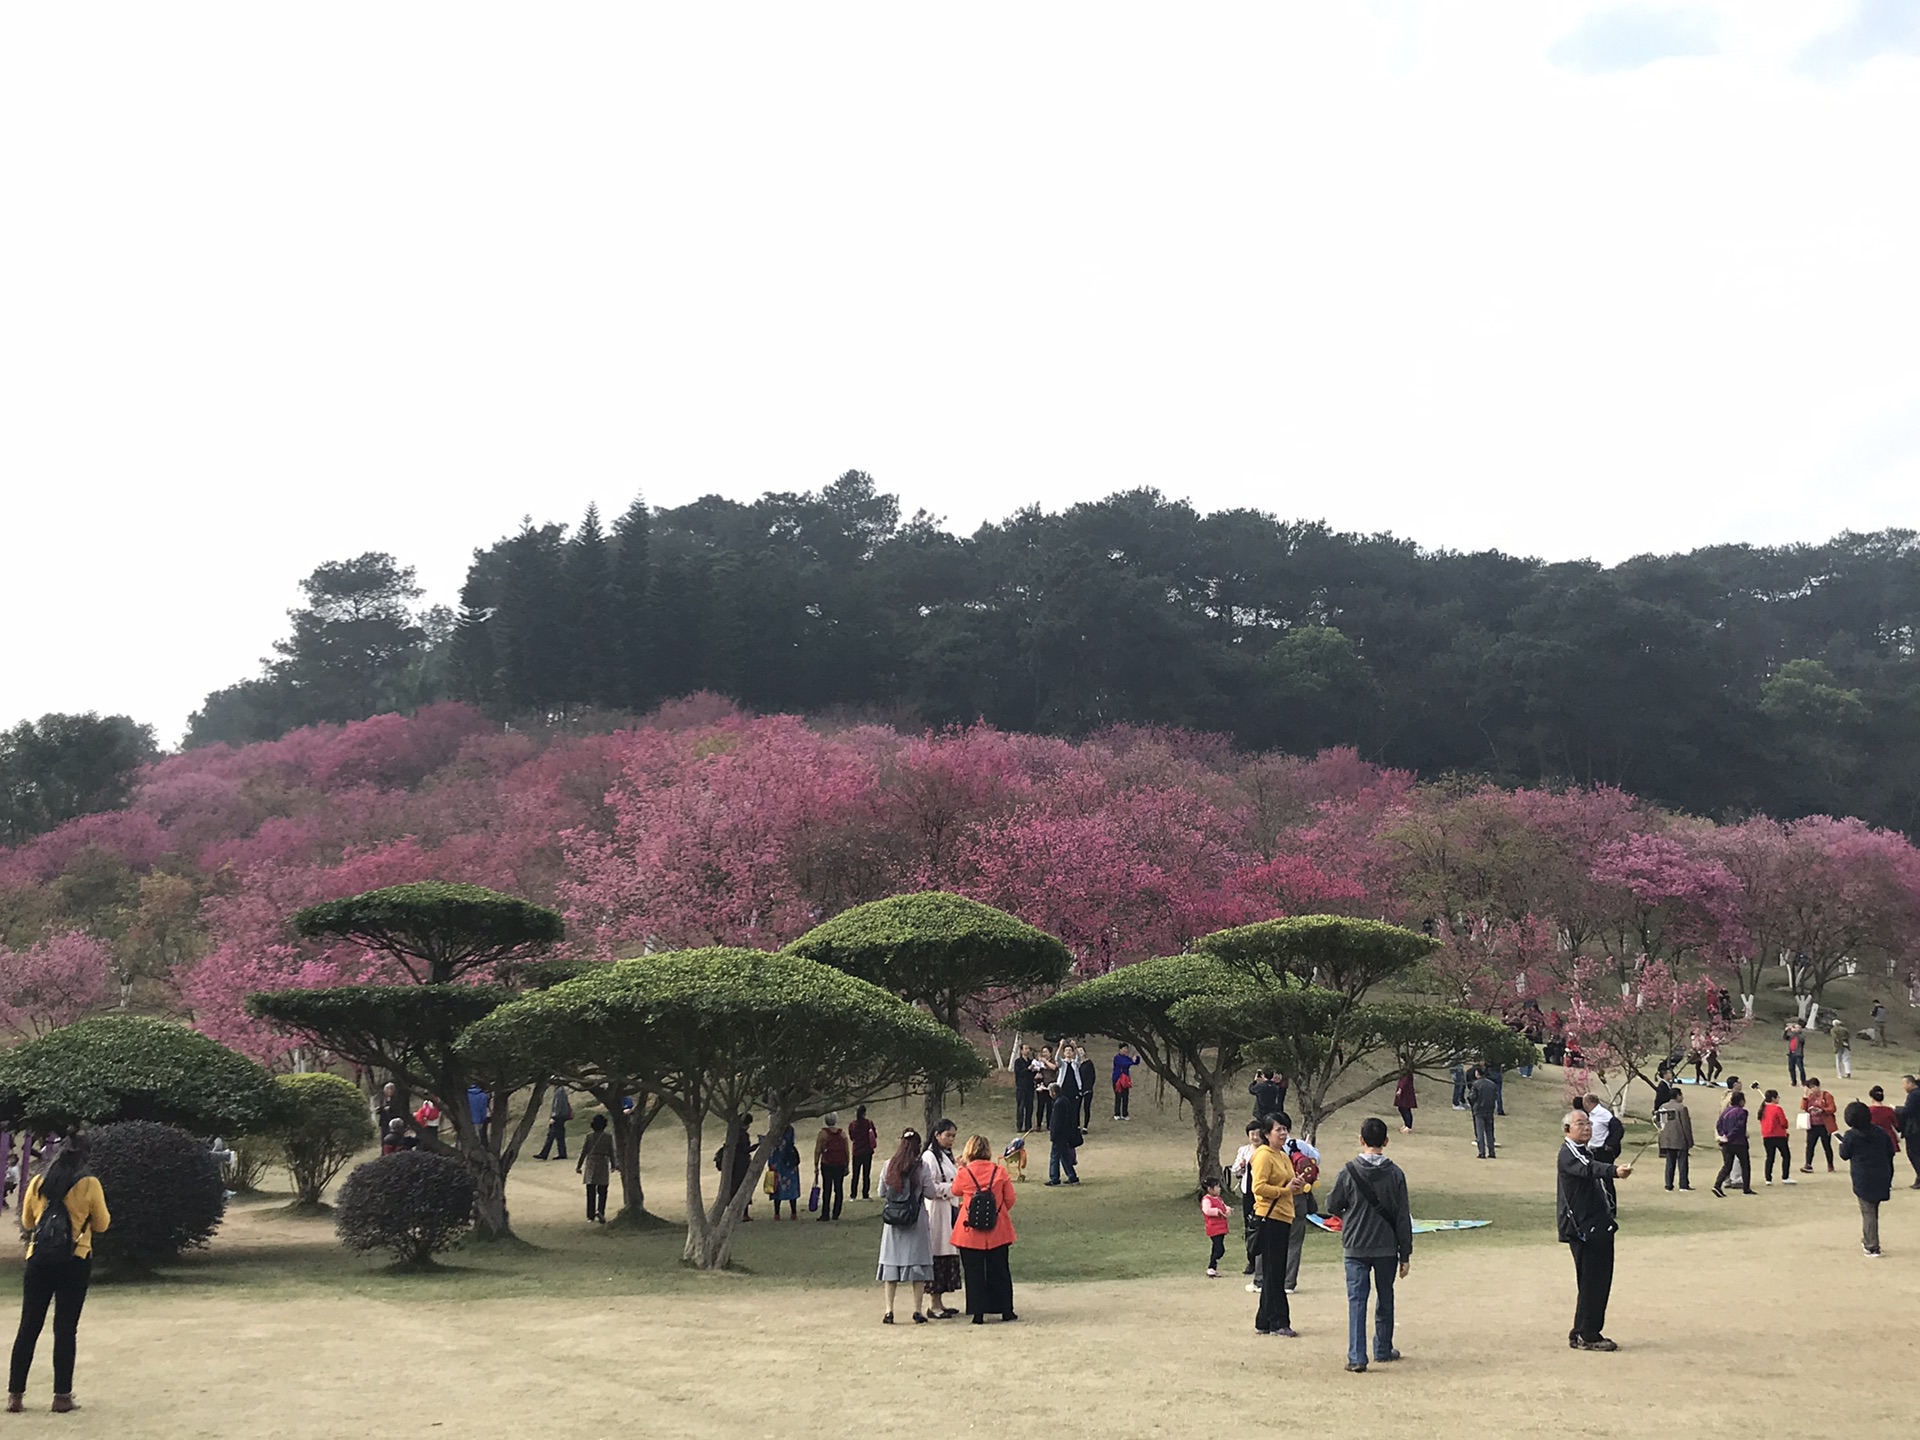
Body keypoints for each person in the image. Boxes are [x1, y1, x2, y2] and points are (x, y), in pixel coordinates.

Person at [9, 1134, 110, 1413]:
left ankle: (15, 1395)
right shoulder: (89, 1183)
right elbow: (102, 1224)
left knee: (28, 1326)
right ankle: (62, 1396)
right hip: (75, 1260)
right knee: (65, 1329)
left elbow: (28, 1221)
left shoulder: (38, 1183)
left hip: (38, 1259)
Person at [1324, 1117, 1413, 1373]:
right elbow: (1402, 1216)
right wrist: (1405, 1253)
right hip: (1386, 1246)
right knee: (1385, 1297)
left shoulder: (1349, 1171)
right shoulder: (1395, 1173)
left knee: (1357, 1300)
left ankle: (1356, 1356)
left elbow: (1331, 1205)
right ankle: (1383, 1347)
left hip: (1355, 1245)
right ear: (1386, 1141)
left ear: (1361, 1140)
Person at [1558, 1108, 1632, 1352]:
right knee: (1591, 1281)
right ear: (1568, 1130)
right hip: (1582, 1228)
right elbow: (1588, 1168)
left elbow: (1593, 1166)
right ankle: (1585, 1333)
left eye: (1588, 1123)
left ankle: (1588, 1330)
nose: (1587, 1127)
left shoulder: (1584, 1151)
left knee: (1599, 1281)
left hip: (1598, 1224)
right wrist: (1614, 1171)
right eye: (1580, 1123)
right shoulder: (1569, 1153)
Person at [949, 1134, 1017, 1323]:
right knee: (1000, 1270)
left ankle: (978, 1313)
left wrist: (961, 1168)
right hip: (998, 1230)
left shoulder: (964, 1173)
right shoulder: (1000, 1171)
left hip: (969, 1231)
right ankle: (1005, 1309)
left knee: (974, 1272)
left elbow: (955, 1191)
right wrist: (999, 1212)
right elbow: (1010, 1198)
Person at [1249, 1114, 1306, 1338]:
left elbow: (1288, 1183)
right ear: (1266, 1134)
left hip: (1284, 1217)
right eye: (1278, 1130)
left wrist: (1298, 1186)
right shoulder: (1263, 1155)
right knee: (1275, 1273)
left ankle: (1263, 1320)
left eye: (1285, 1129)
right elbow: (1259, 1188)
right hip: (1269, 1217)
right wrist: (1285, 1191)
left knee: (1275, 1270)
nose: (1283, 1133)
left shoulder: (1282, 1155)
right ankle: (1279, 1321)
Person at [876, 1129, 932, 1324]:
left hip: (893, 1222)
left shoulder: (888, 1165)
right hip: (915, 1220)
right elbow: (931, 1193)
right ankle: (917, 1310)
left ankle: (889, 1310)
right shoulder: (922, 1167)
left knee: (891, 1266)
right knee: (918, 1266)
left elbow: (881, 1192)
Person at [1839, 1100, 1894, 1258]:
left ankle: (1872, 1245)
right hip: (1882, 1173)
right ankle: (1868, 1239)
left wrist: (1841, 1144)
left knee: (1868, 1211)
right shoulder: (1880, 1131)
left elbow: (1844, 1155)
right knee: (1872, 1209)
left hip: (1863, 1177)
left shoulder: (1851, 1135)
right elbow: (1890, 1150)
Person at [1274, 1116, 1321, 1293]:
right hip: (1300, 1197)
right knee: (1294, 1242)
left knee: (1273, 1239)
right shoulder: (1299, 1145)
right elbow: (1317, 1161)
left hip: (1278, 1198)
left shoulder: (1269, 1150)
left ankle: (1264, 1279)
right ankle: (1289, 1283)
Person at [921, 1121, 961, 1318]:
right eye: (948, 1135)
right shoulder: (929, 1157)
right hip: (937, 1211)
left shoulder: (945, 1156)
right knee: (938, 1254)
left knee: (947, 1253)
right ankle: (933, 1303)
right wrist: (951, 1189)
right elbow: (930, 1187)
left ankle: (940, 1301)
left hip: (950, 1208)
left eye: (954, 1136)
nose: (951, 1139)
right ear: (937, 1135)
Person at [1231, 1119, 1264, 1288]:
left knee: (1262, 1226)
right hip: (1248, 1193)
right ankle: (1251, 1260)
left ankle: (1261, 1262)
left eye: (1258, 1133)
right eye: (1252, 1134)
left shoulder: (1267, 1151)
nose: (1255, 1137)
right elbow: (1235, 1170)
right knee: (1249, 1227)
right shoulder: (1244, 1150)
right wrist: (1242, 1166)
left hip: (1263, 1194)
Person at [1045, 1059, 1083, 1185]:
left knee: (1055, 1157)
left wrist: (1053, 1134)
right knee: (1064, 1156)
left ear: (1054, 1092)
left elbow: (1056, 1121)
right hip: (1066, 1134)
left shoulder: (1058, 1103)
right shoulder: (1065, 1100)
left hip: (1059, 1135)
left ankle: (1054, 1178)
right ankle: (1072, 1177)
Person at [1712, 1091, 1755, 1198]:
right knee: (1745, 1165)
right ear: (1741, 1101)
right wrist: (1730, 1136)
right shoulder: (1742, 1112)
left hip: (1727, 1143)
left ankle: (1717, 1185)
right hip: (1739, 1142)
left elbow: (1719, 1125)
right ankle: (1746, 1188)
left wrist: (1723, 1136)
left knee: (1727, 1165)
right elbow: (1739, 1127)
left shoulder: (1725, 1112)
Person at [577, 1114, 614, 1223]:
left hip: (591, 1162)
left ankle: (590, 1215)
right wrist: (614, 1164)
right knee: (603, 1190)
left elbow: (584, 1152)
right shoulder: (608, 1137)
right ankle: (601, 1211)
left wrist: (579, 1166)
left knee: (590, 1190)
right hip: (603, 1162)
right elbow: (611, 1151)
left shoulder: (589, 1137)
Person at [814, 1113, 851, 1221]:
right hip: (840, 1164)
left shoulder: (822, 1134)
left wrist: (816, 1165)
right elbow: (846, 1151)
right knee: (838, 1189)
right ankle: (836, 1213)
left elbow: (818, 1150)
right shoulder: (842, 1133)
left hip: (827, 1164)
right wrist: (847, 1165)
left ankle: (825, 1214)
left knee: (827, 1189)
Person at [1655, 1090, 1694, 1191]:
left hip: (1667, 1138)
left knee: (1669, 1162)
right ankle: (1683, 1184)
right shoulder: (1681, 1108)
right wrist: (1689, 1140)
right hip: (1679, 1137)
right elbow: (1686, 1125)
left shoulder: (1663, 1107)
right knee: (1682, 1162)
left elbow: (1662, 1124)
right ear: (1678, 1096)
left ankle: (1668, 1184)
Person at [1801, 1078, 1838, 1173]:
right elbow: (1803, 1108)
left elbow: (1832, 1108)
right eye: (1810, 1088)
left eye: (1813, 1087)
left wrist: (1822, 1110)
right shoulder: (1810, 1096)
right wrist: (1804, 1097)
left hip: (1824, 1125)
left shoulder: (1826, 1095)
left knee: (1826, 1145)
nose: (1812, 1090)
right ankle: (1808, 1164)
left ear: (1818, 1086)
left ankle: (1830, 1164)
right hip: (1813, 1125)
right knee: (1810, 1145)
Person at [1758, 1089, 1794, 1185]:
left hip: (1766, 1136)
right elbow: (1783, 1123)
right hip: (1778, 1135)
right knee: (1786, 1156)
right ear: (1773, 1098)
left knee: (1770, 1157)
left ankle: (1768, 1178)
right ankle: (1785, 1177)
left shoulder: (1763, 1109)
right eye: (1777, 1097)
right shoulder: (1777, 1109)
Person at [769, 1126, 802, 1220]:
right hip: (789, 1161)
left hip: (778, 1162)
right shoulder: (790, 1129)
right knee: (791, 1186)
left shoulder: (775, 1130)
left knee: (777, 1187)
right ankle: (793, 1212)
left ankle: (777, 1213)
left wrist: (771, 1163)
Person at [534, 1082, 572, 1161]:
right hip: (562, 1116)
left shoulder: (559, 1092)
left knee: (552, 1135)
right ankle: (561, 1154)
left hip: (558, 1117)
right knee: (559, 1136)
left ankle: (544, 1154)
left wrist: (554, 1117)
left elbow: (557, 1106)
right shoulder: (562, 1091)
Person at [1201, 1179, 1231, 1277]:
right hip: (1214, 1228)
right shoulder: (1207, 1200)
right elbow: (1206, 1210)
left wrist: (1228, 1210)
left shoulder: (1218, 1198)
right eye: (1217, 1187)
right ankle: (1212, 1266)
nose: (1219, 1189)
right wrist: (1217, 1211)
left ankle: (1212, 1268)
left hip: (1221, 1228)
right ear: (1210, 1189)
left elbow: (1224, 1206)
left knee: (1216, 1248)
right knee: (1219, 1249)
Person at [1468, 1066, 1499, 1159]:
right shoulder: (1492, 1084)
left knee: (1480, 1131)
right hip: (1489, 1109)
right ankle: (1491, 1151)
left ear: (1477, 1073)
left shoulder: (1476, 1084)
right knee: (1489, 1131)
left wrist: (1473, 1105)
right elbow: (1495, 1096)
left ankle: (1482, 1152)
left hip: (1479, 1110)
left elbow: (1471, 1097)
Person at [849, 1105, 879, 1201]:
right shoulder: (868, 1123)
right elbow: (875, 1135)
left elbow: (852, 1137)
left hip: (856, 1151)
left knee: (855, 1174)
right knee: (866, 1174)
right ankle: (865, 1195)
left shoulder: (852, 1124)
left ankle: (853, 1195)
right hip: (867, 1151)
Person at [1899, 1076, 1920, 1189]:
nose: (1903, 1087)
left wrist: (1897, 1110)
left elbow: (1908, 1111)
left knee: (1913, 1153)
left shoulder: (1914, 1095)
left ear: (1910, 1083)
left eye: (1904, 1084)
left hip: (1915, 1129)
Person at [1867, 1086, 1901, 1153]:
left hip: (1874, 1137)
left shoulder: (1869, 1110)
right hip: (1889, 1136)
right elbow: (1896, 1125)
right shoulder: (1889, 1110)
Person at [1014, 1045, 1037, 1133]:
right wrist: (1028, 1069)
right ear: (1021, 1050)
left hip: (1030, 1087)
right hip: (1021, 1087)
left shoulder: (1031, 1061)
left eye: (1029, 1049)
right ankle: (1019, 1126)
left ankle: (1028, 1126)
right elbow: (1019, 1073)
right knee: (1021, 1107)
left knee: (1029, 1107)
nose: (1027, 1051)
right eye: (1026, 1049)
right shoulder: (1018, 1062)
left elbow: (1032, 1074)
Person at [1032, 1047, 1057, 1130]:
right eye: (1043, 1052)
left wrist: (1045, 1062)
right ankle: (1038, 1125)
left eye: (1046, 1052)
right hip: (1041, 1087)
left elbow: (1054, 1068)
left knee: (1050, 1107)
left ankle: (1049, 1125)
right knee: (1040, 1107)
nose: (1044, 1054)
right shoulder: (1039, 1062)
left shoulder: (1053, 1061)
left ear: (1050, 1053)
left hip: (1050, 1087)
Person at [1112, 1045, 1136, 1121]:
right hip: (1117, 1079)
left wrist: (1135, 1058)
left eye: (1126, 1049)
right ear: (1120, 1049)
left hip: (1125, 1080)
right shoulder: (1117, 1058)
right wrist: (1132, 1061)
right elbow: (1124, 1064)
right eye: (1124, 1049)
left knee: (1125, 1097)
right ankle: (1117, 1113)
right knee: (1118, 1097)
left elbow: (1135, 1062)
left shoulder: (1127, 1058)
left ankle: (1125, 1114)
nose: (1126, 1050)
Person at [1076, 1047, 1097, 1129]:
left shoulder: (1089, 1063)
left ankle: (1085, 1126)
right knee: (1076, 1108)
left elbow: (1092, 1076)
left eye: (1081, 1050)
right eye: (1078, 1051)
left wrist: (1089, 1087)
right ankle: (1077, 1125)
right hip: (1078, 1088)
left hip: (1087, 1088)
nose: (1080, 1052)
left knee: (1086, 1107)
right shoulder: (1076, 1063)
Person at [466, 1084, 492, 1149]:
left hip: (467, 1119)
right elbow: (483, 1110)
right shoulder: (483, 1095)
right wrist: (483, 1119)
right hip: (478, 1119)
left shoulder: (466, 1095)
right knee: (479, 1136)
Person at [1784, 1021, 1807, 1087]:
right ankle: (1793, 1082)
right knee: (1791, 1068)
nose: (1795, 1029)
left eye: (1796, 1027)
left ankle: (1803, 1082)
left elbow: (1801, 1039)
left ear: (1800, 1028)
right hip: (1791, 1053)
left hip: (1798, 1054)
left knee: (1801, 1069)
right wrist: (1786, 1031)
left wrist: (1794, 1031)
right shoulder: (1792, 1035)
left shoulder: (1801, 1035)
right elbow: (1785, 1038)